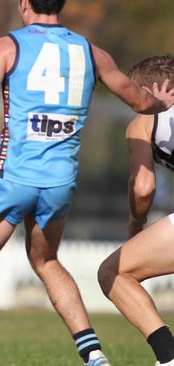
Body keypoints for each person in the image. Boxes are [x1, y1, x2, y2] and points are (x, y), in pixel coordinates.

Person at [0, 1, 174, 365]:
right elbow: (138, 99)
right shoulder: (91, 53)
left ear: (24, 4)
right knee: (46, 261)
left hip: (13, 174)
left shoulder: (7, 46)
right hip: (60, 180)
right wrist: (159, 104)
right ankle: (94, 355)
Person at [98, 55, 174, 366]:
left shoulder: (145, 119)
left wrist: (135, 224)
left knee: (113, 272)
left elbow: (143, 187)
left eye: (132, 93)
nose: (131, 101)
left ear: (152, 90)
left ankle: (169, 357)